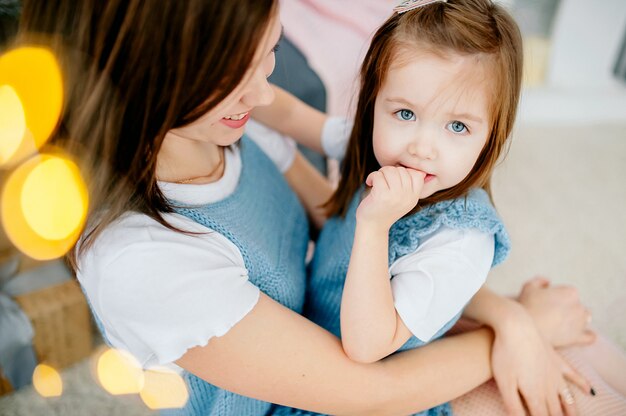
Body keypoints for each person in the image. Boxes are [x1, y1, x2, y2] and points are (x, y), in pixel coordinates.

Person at [16, 0, 618, 415]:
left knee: (586, 351)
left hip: (352, 344)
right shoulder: (139, 258)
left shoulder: (231, 125)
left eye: (270, 50)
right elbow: (373, 389)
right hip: (323, 398)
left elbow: (335, 222)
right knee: (575, 377)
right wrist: (521, 330)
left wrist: (508, 318)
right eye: (232, 75)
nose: (263, 94)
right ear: (152, 78)